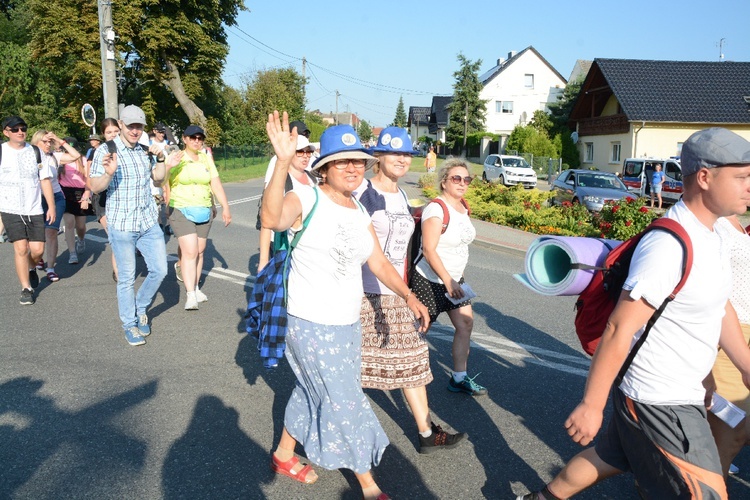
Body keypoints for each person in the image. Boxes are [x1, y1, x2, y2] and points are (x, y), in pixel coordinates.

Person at [517, 127, 750, 500]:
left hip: (678, 391)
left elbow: (719, 306)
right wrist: (591, 405)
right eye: (741, 177)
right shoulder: (669, 245)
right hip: (659, 398)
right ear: (705, 177)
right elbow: (618, 328)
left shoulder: (716, 236)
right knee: (705, 494)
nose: (749, 185)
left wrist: (740, 368)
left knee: (609, 457)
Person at [262, 113, 429, 500]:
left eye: (358, 161)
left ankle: (284, 454)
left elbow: (379, 262)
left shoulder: (358, 210)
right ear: (325, 168)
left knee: (311, 389)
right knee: (345, 399)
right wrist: (283, 162)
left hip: (346, 323)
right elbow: (271, 218)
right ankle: (370, 486)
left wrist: (408, 295)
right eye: (343, 161)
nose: (353, 168)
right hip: (311, 323)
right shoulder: (305, 196)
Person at [354, 126, 465, 453]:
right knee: (351, 367)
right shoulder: (363, 191)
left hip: (395, 291)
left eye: (406, 154)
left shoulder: (401, 195)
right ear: (379, 156)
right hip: (363, 292)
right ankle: (330, 429)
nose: (402, 159)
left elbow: (403, 251)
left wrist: (409, 290)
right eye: (394, 153)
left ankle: (426, 433)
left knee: (413, 359)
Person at [89, 105, 168, 347]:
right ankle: (129, 324)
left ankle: (141, 306)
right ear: (121, 125)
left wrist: (162, 158)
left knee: (160, 270)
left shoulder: (145, 151)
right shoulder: (106, 150)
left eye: (139, 126)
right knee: (126, 279)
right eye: (131, 125)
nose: (135, 130)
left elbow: (160, 178)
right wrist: (109, 174)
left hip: (147, 222)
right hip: (122, 225)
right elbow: (94, 186)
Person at [410, 159, 484, 396]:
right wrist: (448, 281)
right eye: (456, 178)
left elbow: (459, 246)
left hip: (454, 280)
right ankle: (404, 372)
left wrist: (457, 278)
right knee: (419, 329)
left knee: (465, 323)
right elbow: (429, 250)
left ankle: (459, 378)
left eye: (466, 179)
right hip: (429, 279)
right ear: (444, 181)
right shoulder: (436, 208)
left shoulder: (463, 206)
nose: (463, 183)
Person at [164, 125, 231, 310]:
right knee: (191, 252)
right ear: (184, 139)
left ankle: (195, 286)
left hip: (203, 209)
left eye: (200, 138)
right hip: (181, 209)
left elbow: (215, 183)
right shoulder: (177, 157)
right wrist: (168, 167)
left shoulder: (205, 158)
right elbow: (163, 179)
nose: (197, 141)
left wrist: (225, 206)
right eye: (193, 138)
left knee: (201, 250)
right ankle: (190, 294)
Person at [707, 214, 750, 477]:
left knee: (733, 432)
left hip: (742, 331)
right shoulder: (714, 222)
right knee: (732, 431)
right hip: (727, 336)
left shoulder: (734, 221)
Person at [0, 116, 56, 304]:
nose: (20, 132)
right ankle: (25, 288)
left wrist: (51, 206)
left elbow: (45, 180)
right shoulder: (1, 151)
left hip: (34, 208)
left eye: (23, 128)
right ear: (6, 132)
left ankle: (32, 267)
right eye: (15, 129)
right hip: (10, 208)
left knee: (37, 250)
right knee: (21, 248)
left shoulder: (35, 152)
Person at [257, 133, 316, 271]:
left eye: (309, 152)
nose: (306, 156)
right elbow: (266, 222)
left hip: (307, 244)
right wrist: (263, 260)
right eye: (301, 152)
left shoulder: (313, 179)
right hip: (283, 244)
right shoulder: (279, 181)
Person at [30, 130, 81, 274]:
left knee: (51, 232)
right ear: (36, 142)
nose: (48, 144)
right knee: (37, 236)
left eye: (49, 142)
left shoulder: (54, 156)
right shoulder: (29, 156)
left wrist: (58, 139)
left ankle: (51, 268)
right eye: (44, 141)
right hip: (35, 199)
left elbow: (76, 156)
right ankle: (37, 258)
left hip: (56, 197)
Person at [90, 118, 121, 282]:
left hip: (121, 198)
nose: (113, 135)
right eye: (109, 132)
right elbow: (93, 182)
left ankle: (121, 269)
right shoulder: (102, 151)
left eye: (116, 131)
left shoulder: (128, 148)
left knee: (124, 237)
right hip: (103, 198)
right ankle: (118, 274)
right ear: (103, 134)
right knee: (116, 236)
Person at [59, 138, 94, 281]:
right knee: (69, 223)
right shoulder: (60, 161)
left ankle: (81, 239)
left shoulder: (84, 161)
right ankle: (72, 253)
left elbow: (89, 180)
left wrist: (87, 196)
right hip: (65, 193)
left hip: (81, 193)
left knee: (80, 226)